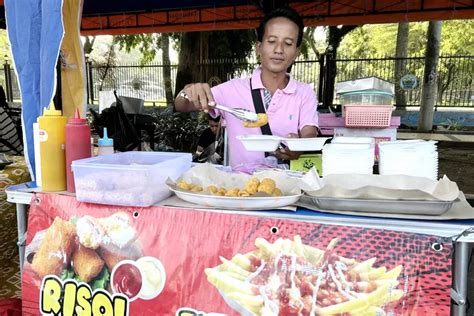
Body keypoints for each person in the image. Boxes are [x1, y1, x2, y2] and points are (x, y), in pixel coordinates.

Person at [175, 7, 319, 170]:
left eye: (288, 43)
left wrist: (299, 145)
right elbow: (181, 105)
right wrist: (187, 91)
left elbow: (309, 130)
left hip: (287, 189)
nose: (279, 50)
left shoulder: (304, 92)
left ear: (296, 52)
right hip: (241, 190)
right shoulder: (231, 90)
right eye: (271, 41)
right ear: (259, 46)